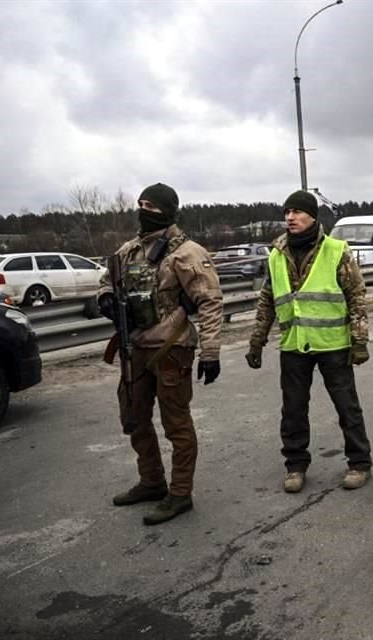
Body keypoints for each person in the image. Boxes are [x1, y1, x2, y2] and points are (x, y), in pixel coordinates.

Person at [97, 182, 223, 526]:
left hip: (172, 348)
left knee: (176, 424)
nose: (143, 211)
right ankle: (151, 481)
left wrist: (210, 352)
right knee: (134, 418)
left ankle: (180, 494)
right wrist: (105, 298)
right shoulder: (128, 251)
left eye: (150, 206)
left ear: (167, 210)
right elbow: (107, 281)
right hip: (134, 348)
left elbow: (210, 301)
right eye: (140, 204)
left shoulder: (187, 253)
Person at [246, 190, 372, 492]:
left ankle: (359, 463)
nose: (290, 217)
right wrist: (257, 340)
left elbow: (356, 296)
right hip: (293, 344)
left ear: (312, 216)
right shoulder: (276, 254)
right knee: (293, 410)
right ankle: (295, 466)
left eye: (297, 212)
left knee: (347, 407)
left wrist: (360, 340)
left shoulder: (336, 250)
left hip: (333, 344)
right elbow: (267, 300)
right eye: (287, 212)